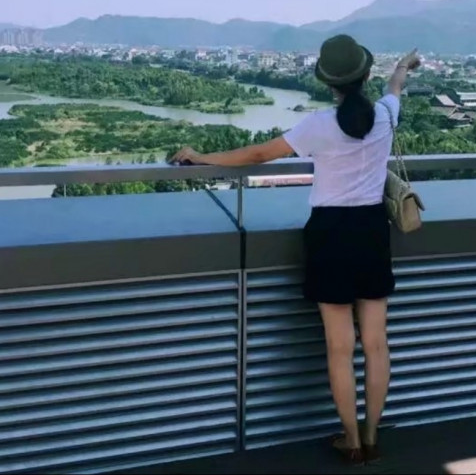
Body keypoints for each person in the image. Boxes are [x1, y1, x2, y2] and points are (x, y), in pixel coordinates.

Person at [170, 35, 421, 464]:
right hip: (372, 232)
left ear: (328, 83)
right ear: (365, 76)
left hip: (329, 234)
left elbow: (258, 154)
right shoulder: (384, 115)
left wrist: (200, 156)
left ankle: (351, 442)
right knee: (376, 344)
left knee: (339, 347)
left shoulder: (318, 125)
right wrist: (402, 66)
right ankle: (372, 435)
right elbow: (394, 89)